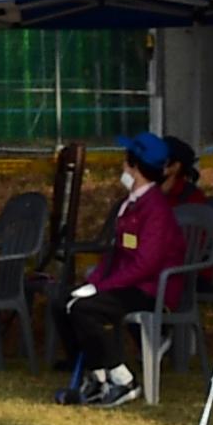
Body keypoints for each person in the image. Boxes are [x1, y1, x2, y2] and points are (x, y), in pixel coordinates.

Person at [61, 132, 182, 405]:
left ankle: (123, 378)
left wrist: (100, 287)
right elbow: (117, 251)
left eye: (126, 162)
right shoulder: (133, 203)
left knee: (85, 309)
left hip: (150, 289)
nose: (122, 167)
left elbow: (145, 263)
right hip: (128, 282)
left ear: (135, 166)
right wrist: (95, 279)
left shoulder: (155, 209)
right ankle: (97, 376)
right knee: (63, 301)